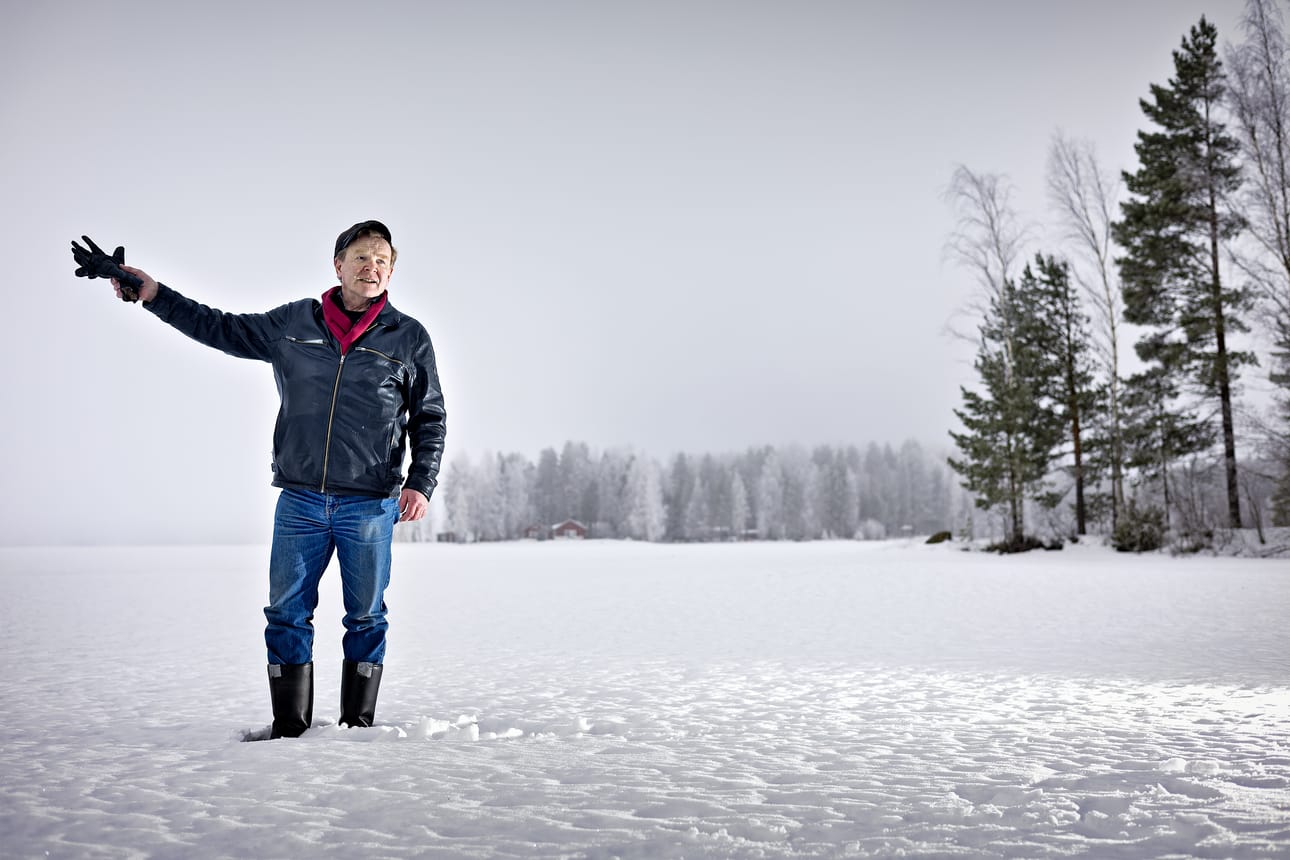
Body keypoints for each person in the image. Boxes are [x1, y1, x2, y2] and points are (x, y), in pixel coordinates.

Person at [99, 221, 446, 738]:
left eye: (382, 260)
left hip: (370, 503)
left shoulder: (409, 336)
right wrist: (153, 294)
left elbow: (429, 416)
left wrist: (420, 481)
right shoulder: (292, 324)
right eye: (361, 257)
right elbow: (219, 327)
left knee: (367, 617)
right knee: (286, 612)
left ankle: (358, 726)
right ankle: (290, 728)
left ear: (391, 270)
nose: (371, 267)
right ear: (338, 264)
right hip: (301, 499)